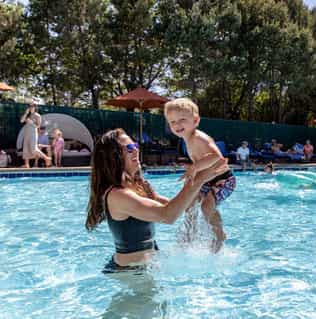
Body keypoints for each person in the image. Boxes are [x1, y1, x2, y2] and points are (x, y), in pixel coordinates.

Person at [85, 128, 228, 273]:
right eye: (128, 148)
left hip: (144, 266)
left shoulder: (138, 186)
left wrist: (201, 181)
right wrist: (199, 180)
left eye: (135, 145)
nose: (135, 150)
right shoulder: (118, 195)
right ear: (113, 157)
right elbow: (167, 215)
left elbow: (174, 206)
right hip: (129, 273)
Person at [164, 98, 236, 253]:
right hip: (206, 178)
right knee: (188, 203)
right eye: (172, 122)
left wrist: (194, 167)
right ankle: (189, 234)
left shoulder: (198, 137)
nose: (177, 125)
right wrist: (194, 169)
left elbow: (217, 157)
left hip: (222, 179)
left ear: (195, 120)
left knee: (206, 206)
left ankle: (219, 235)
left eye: (182, 120)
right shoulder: (187, 139)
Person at [20, 103, 51, 168]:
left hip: (33, 133)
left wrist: (31, 123)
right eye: (29, 106)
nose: (31, 108)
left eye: (32, 106)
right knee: (26, 149)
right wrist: (25, 113)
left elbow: (38, 126)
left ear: (35, 108)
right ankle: (26, 165)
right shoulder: (27, 115)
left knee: (33, 149)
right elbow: (21, 121)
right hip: (27, 133)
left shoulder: (38, 116)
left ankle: (46, 158)